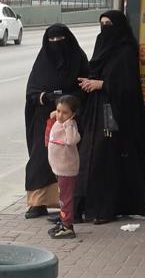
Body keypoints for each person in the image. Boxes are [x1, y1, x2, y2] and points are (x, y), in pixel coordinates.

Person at [74, 10, 145, 224]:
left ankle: (105, 209)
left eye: (109, 24)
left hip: (115, 115)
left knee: (105, 161)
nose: (105, 28)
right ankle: (88, 207)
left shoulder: (126, 51)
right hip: (96, 112)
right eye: (102, 23)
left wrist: (102, 84)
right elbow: (96, 70)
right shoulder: (102, 45)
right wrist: (89, 82)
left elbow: (128, 86)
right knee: (90, 158)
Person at [24, 24, 89, 219]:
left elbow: (84, 87)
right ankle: (38, 202)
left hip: (70, 121)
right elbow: (32, 91)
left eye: (59, 40)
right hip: (44, 120)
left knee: (68, 160)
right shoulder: (42, 61)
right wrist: (46, 97)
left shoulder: (78, 59)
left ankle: (68, 204)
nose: (55, 45)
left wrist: (67, 100)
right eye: (51, 41)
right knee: (40, 159)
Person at [47, 95, 81, 239]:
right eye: (58, 111)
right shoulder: (58, 121)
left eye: (65, 112)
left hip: (66, 169)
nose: (60, 115)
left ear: (73, 114)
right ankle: (64, 221)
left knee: (65, 199)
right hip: (58, 168)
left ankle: (67, 226)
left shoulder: (70, 126)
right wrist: (55, 116)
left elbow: (73, 140)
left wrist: (68, 123)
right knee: (62, 197)